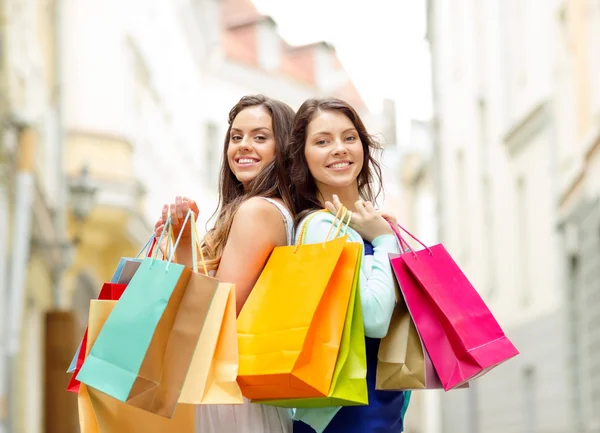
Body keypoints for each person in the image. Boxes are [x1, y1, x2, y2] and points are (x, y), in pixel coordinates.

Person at [154, 94, 295, 433]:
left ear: (284, 148)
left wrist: (186, 244)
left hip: (235, 394)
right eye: (236, 137)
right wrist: (181, 239)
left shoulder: (258, 211)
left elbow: (217, 314)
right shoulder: (252, 211)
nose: (243, 146)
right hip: (230, 390)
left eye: (260, 137)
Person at [287, 98, 411, 433]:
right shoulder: (321, 229)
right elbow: (372, 319)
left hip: (381, 412)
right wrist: (384, 242)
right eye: (323, 141)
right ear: (303, 157)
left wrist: (381, 235)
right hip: (344, 419)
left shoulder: (370, 224)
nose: (339, 149)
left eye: (349, 137)